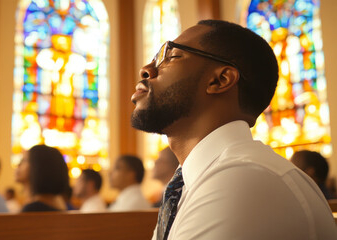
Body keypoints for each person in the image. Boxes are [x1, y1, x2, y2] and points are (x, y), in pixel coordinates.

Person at [131, 19, 337, 239]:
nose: (146, 70)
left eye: (170, 57)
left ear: (220, 80)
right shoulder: (195, 182)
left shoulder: (241, 181)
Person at [15, 145, 69, 212]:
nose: (18, 165)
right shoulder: (58, 202)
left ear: (39, 168)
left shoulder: (34, 209)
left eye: (24, 160)